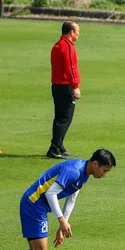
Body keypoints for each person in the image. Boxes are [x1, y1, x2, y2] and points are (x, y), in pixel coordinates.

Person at [3, 148, 116, 250]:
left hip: (37, 206)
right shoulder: (74, 170)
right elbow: (51, 193)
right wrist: (61, 220)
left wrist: (63, 226)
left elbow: (72, 199)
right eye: (104, 171)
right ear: (95, 164)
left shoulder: (84, 173)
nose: (104, 175)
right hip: (34, 205)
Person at [47, 21, 82, 159]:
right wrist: (75, 86)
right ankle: (55, 148)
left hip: (57, 85)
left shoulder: (57, 45)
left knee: (60, 117)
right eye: (77, 31)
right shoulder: (67, 46)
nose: (78, 34)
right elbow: (70, 68)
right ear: (71, 32)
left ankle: (59, 146)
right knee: (64, 118)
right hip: (65, 86)